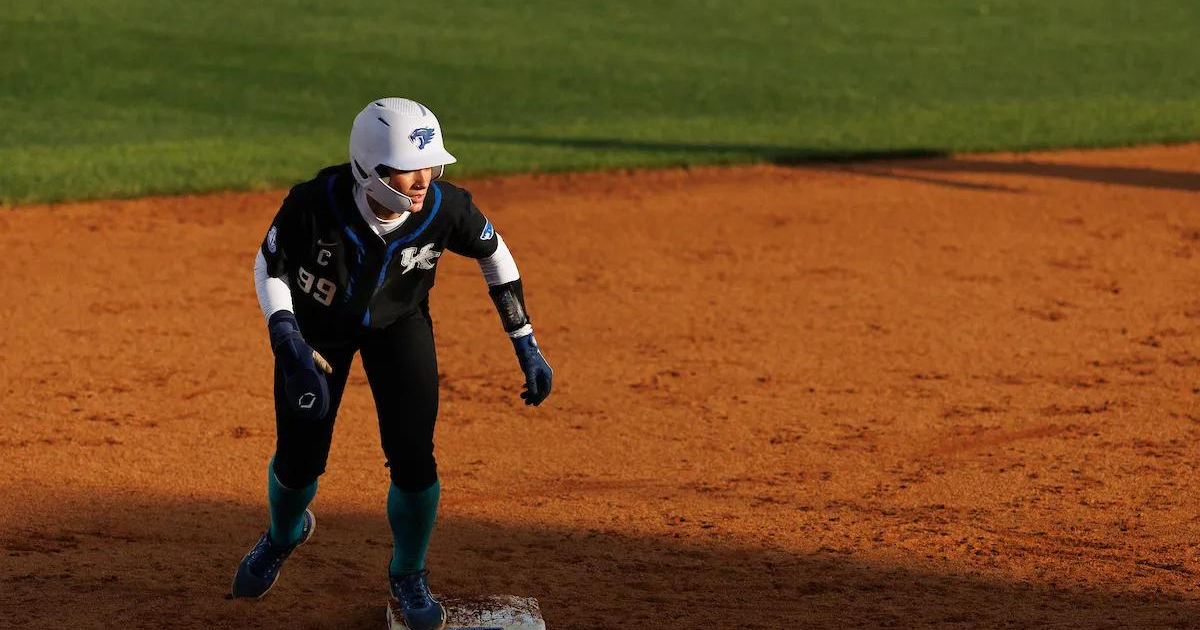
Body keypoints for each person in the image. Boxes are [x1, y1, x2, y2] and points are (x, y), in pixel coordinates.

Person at [230, 97, 553, 630]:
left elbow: (497, 255)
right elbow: (271, 263)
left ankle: (408, 574)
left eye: (430, 166)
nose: (423, 179)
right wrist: (285, 337)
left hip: (399, 325)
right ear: (368, 168)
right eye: (408, 168)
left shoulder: (444, 208)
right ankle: (284, 533)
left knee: (412, 454)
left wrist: (525, 342)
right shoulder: (315, 203)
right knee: (299, 457)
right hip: (316, 332)